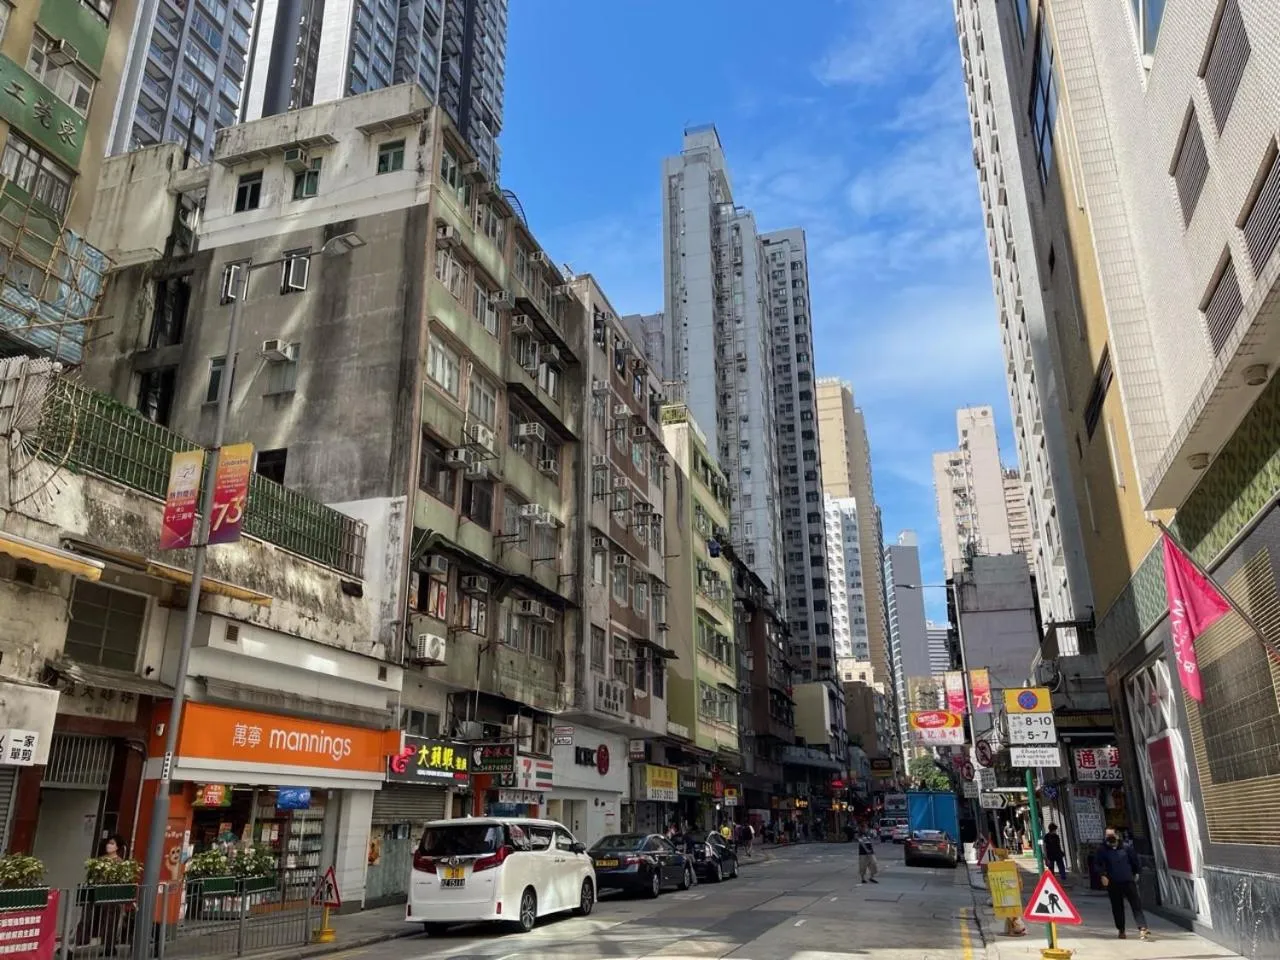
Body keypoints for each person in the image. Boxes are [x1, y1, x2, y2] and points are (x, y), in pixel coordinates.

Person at [1098, 828, 1151, 941]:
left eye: (1111, 835)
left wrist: (1136, 873)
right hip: (1112, 882)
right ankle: (1121, 929)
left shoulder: (1126, 848)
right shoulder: (1103, 850)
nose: (1109, 837)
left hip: (1128, 880)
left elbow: (1135, 861)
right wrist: (1102, 875)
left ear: (1117, 835)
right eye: (1107, 835)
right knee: (1117, 907)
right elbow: (1098, 864)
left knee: (1136, 905)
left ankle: (1142, 928)